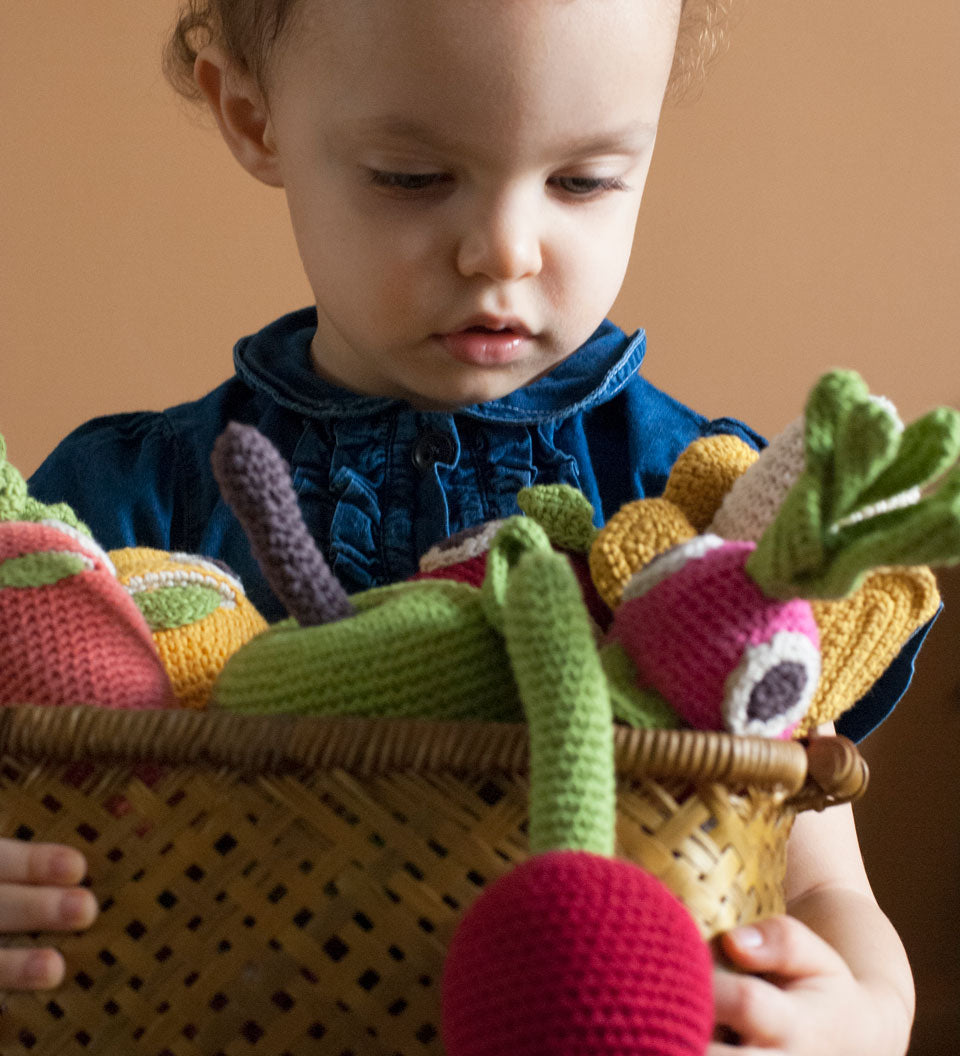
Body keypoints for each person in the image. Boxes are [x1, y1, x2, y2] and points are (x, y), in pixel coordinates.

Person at [1, 1, 922, 1051]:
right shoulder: (123, 507)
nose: (505, 250)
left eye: (584, 179)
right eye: (411, 176)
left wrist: (867, 1015)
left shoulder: (706, 510)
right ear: (252, 117)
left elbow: (818, 877)